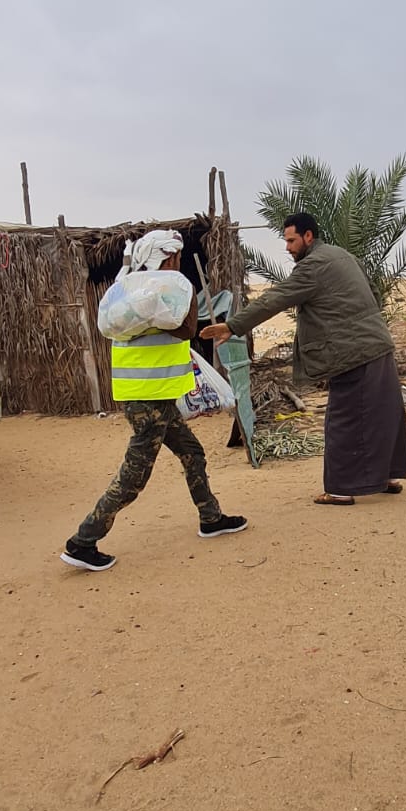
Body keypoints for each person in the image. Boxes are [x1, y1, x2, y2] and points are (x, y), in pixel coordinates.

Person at [63, 230, 247, 571]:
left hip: (147, 395)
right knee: (134, 476)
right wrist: (182, 300)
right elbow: (186, 329)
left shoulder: (126, 292)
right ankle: (83, 541)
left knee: (192, 452)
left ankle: (211, 518)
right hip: (149, 398)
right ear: (170, 257)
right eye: (177, 256)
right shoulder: (167, 289)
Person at [202, 212, 406, 505]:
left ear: (308, 236)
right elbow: (372, 292)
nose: (287, 247)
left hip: (352, 353)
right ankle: (387, 477)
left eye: (291, 240)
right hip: (377, 343)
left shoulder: (312, 266)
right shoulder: (342, 256)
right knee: (383, 413)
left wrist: (233, 326)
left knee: (344, 419)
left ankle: (340, 490)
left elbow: (275, 299)